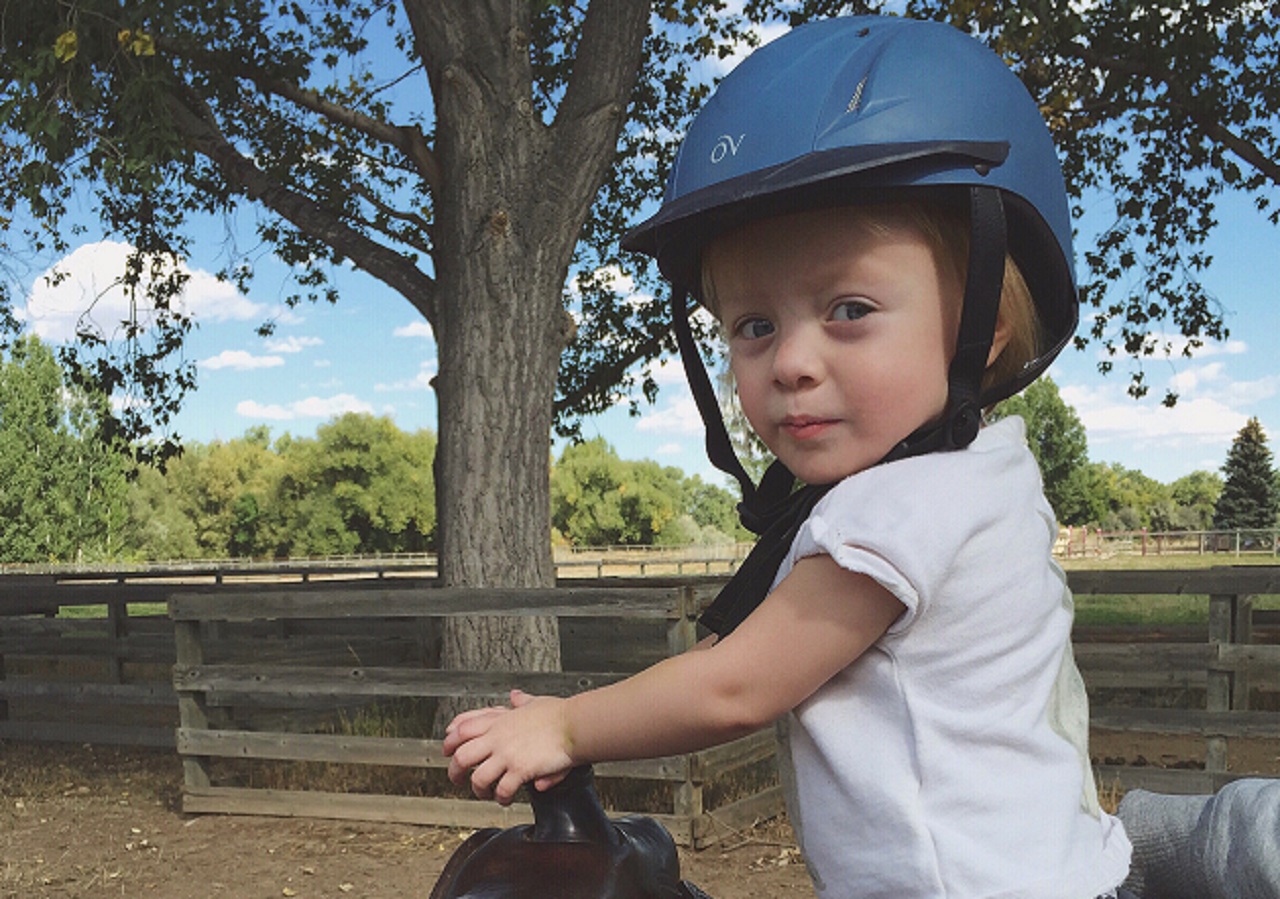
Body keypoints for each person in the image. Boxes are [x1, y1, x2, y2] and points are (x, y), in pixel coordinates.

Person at [444, 15, 1134, 898]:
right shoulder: (985, 474)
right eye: (754, 325)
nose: (793, 361)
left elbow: (737, 685)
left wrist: (567, 726)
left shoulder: (901, 507)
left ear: (982, 328)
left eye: (849, 308)